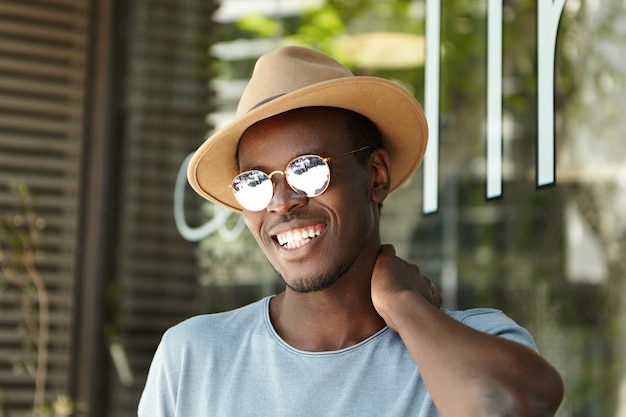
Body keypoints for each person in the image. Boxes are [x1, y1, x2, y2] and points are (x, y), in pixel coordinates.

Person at [138, 46, 563, 416]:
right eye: (254, 183)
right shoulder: (194, 357)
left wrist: (404, 306)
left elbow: (513, 407)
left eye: (307, 170)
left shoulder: (473, 345)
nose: (281, 202)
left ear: (375, 175)